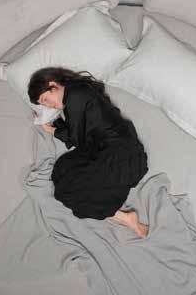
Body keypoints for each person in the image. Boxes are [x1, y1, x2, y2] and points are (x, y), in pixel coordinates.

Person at [27, 66, 150, 238]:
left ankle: (125, 217)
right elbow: (80, 130)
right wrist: (57, 125)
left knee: (69, 192)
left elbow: (76, 139)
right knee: (63, 169)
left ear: (53, 84)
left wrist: (52, 130)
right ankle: (120, 212)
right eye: (44, 104)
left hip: (120, 154)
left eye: (46, 99)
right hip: (109, 148)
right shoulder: (77, 91)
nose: (49, 105)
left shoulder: (75, 95)